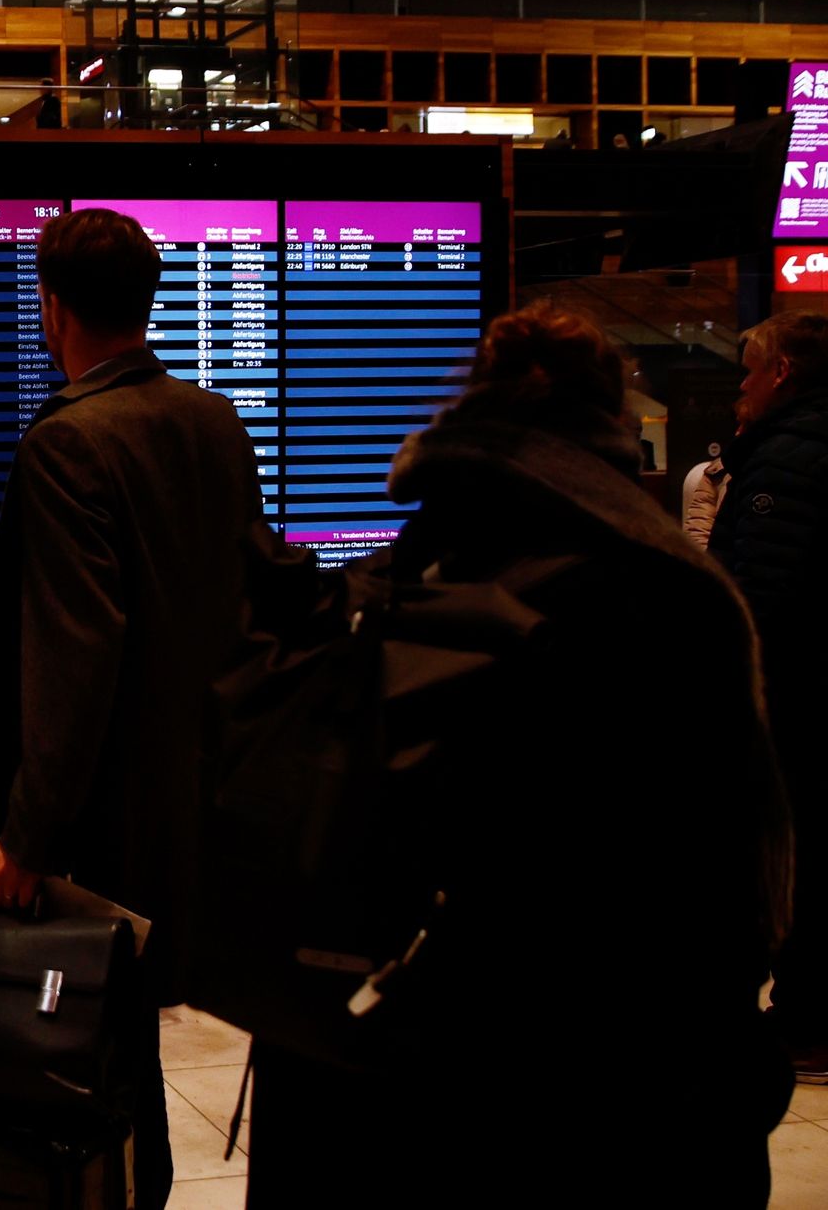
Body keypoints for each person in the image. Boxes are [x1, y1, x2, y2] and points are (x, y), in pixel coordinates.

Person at [250, 305, 794, 1206]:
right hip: (609, 1073)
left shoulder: (390, 582)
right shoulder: (673, 594)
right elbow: (732, 874)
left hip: (388, 1059)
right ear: (614, 427)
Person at [0, 208, 262, 1208]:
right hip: (196, 794)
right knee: (127, 1047)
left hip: (98, 820)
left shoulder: (66, 443)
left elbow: (74, 650)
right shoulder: (211, 421)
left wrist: (25, 832)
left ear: (49, 306)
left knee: (80, 1059)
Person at [711, 310, 828, 1084]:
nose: (738, 393)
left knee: (800, 855)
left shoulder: (790, 455)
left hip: (795, 698)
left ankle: (808, 1019)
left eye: (748, 372)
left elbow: (758, 596)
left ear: (781, 372)